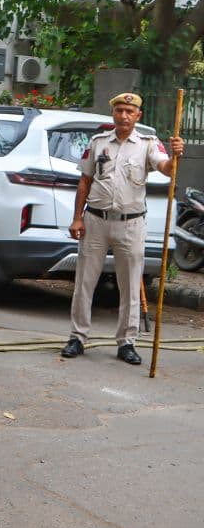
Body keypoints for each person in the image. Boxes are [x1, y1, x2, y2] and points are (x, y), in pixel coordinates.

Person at [61, 93, 184, 365]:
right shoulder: (98, 143)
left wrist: (175, 156)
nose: (124, 116)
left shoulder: (148, 144)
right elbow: (85, 181)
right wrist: (77, 218)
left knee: (129, 284)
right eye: (119, 110)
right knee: (84, 282)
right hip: (95, 220)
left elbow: (166, 169)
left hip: (131, 223)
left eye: (130, 111)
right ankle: (77, 336)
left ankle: (127, 342)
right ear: (113, 114)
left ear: (138, 116)